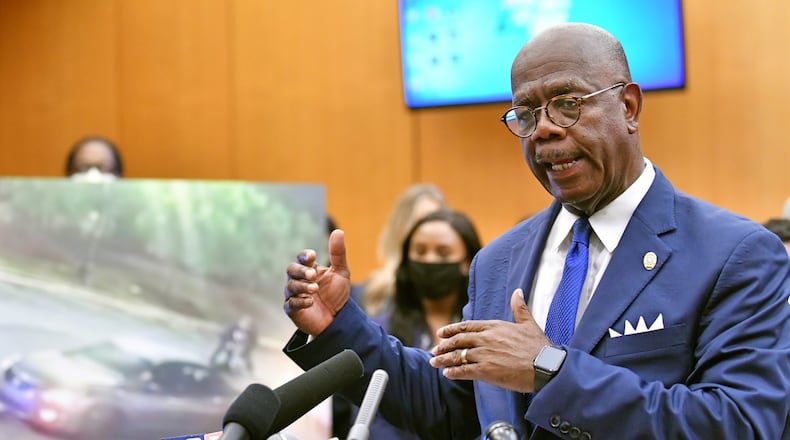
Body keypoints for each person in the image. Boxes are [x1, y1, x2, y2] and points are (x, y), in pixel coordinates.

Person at [283, 23, 790, 439]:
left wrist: (550, 369)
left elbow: (741, 424)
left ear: (629, 107)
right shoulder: (499, 260)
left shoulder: (737, 254)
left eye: (568, 102)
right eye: (525, 114)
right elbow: (456, 409)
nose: (544, 128)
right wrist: (337, 327)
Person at [342, 209, 482, 439]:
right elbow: (371, 411)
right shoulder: (381, 329)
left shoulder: (482, 326)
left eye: (443, 253)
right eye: (420, 251)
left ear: (467, 262)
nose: (429, 260)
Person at [351, 183, 448, 315]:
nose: (429, 232)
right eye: (421, 223)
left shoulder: (456, 295)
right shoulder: (367, 295)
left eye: (436, 222)